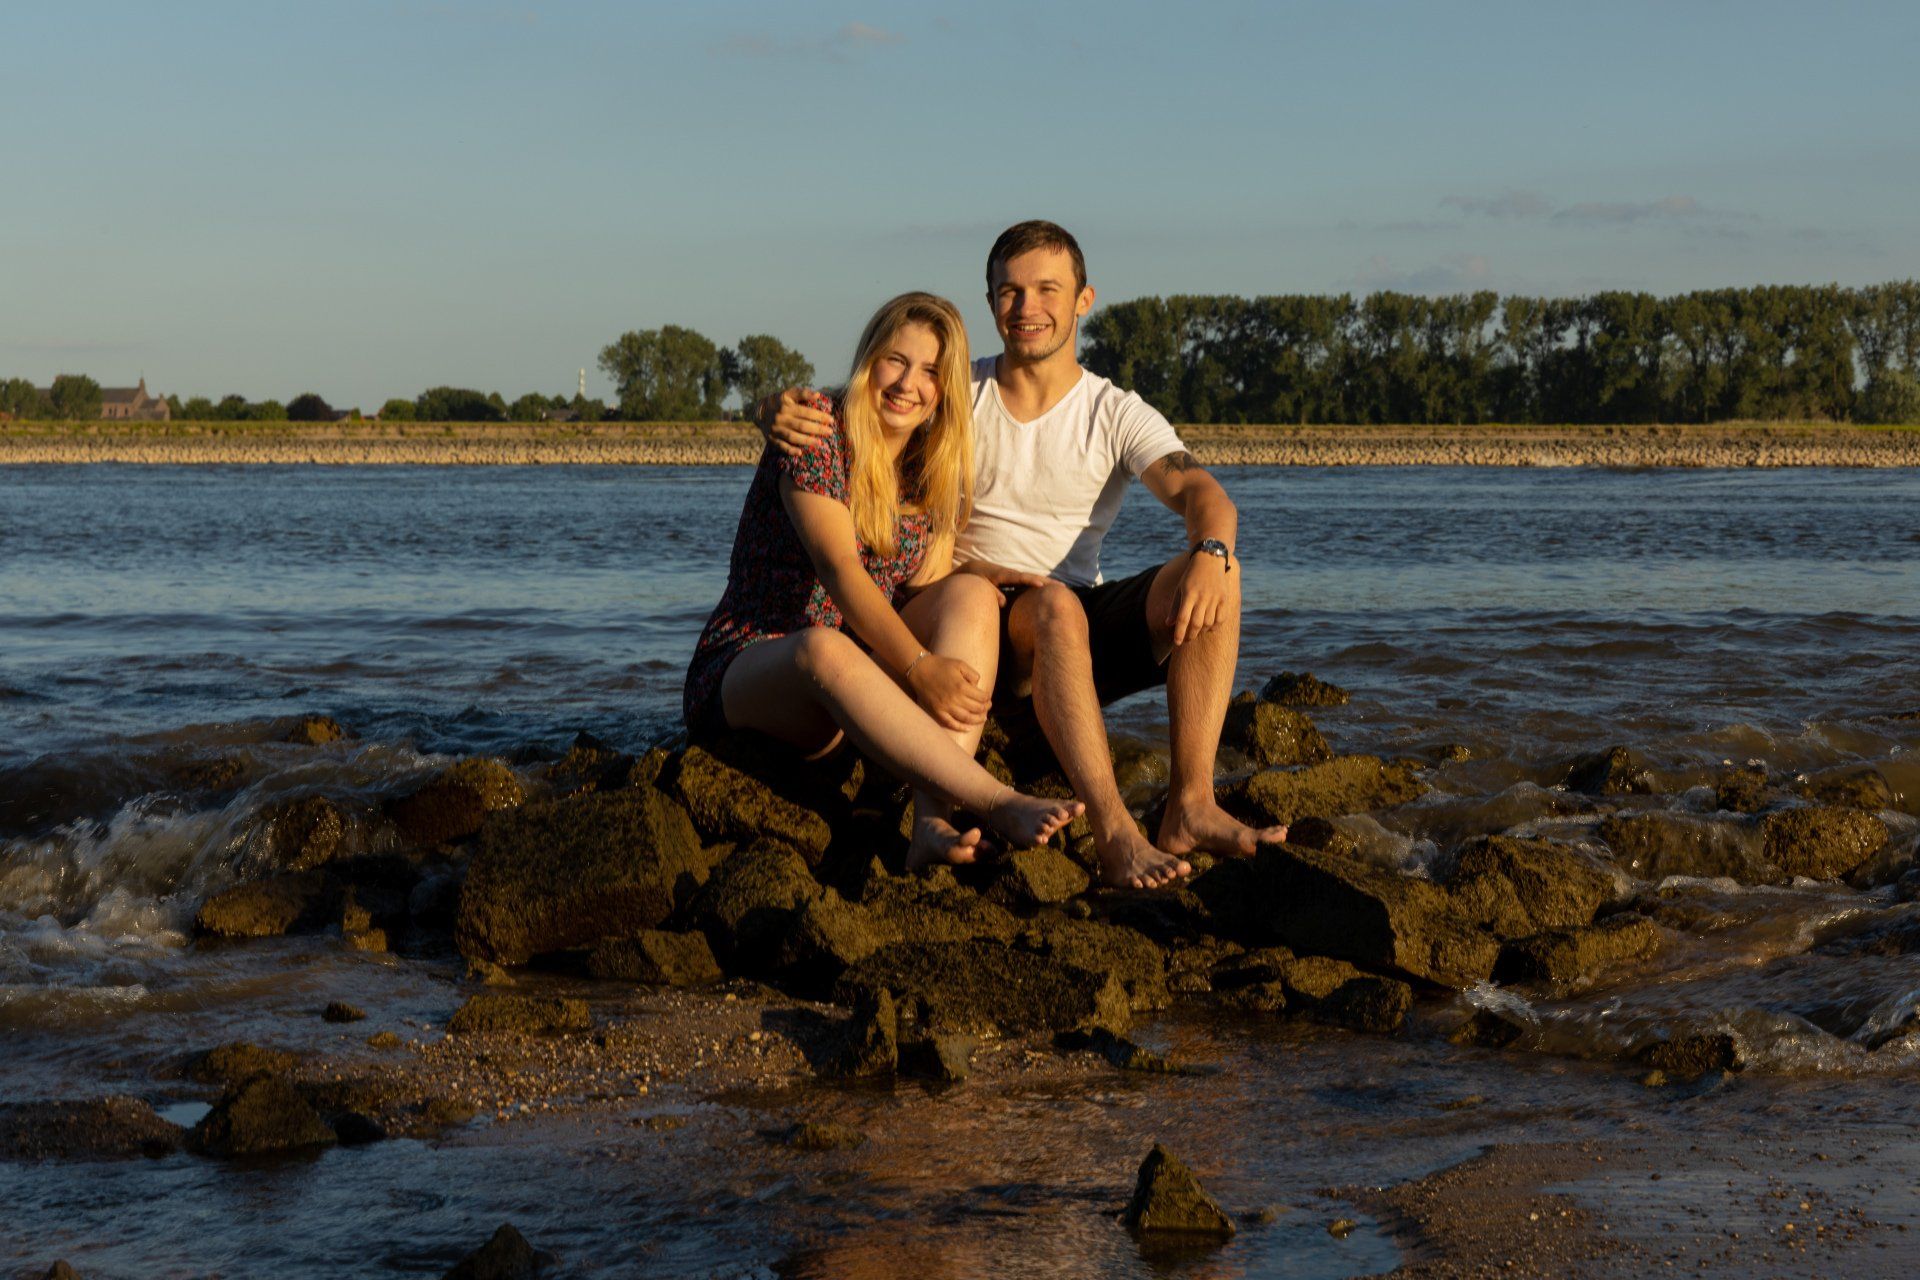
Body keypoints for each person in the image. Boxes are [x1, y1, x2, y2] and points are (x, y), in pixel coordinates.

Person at [761, 222, 1285, 890]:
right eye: (1009, 291)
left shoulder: (1114, 411)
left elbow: (1197, 490)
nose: (1026, 307)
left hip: (1072, 621)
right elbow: (864, 405)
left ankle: (1190, 804)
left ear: (1084, 299)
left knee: (1218, 573)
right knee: (1056, 606)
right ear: (989, 302)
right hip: (968, 613)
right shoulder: (954, 395)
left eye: (1046, 290)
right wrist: (771, 408)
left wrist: (1212, 549)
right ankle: (1114, 830)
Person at [685, 291, 1083, 864]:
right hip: (756, 664)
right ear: (869, 359)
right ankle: (994, 800)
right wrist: (920, 670)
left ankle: (933, 821)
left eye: (930, 372)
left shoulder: (934, 466)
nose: (907, 384)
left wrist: (974, 577)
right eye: (896, 361)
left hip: (859, 681)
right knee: (821, 647)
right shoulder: (817, 433)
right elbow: (840, 570)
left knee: (970, 594)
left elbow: (920, 592)